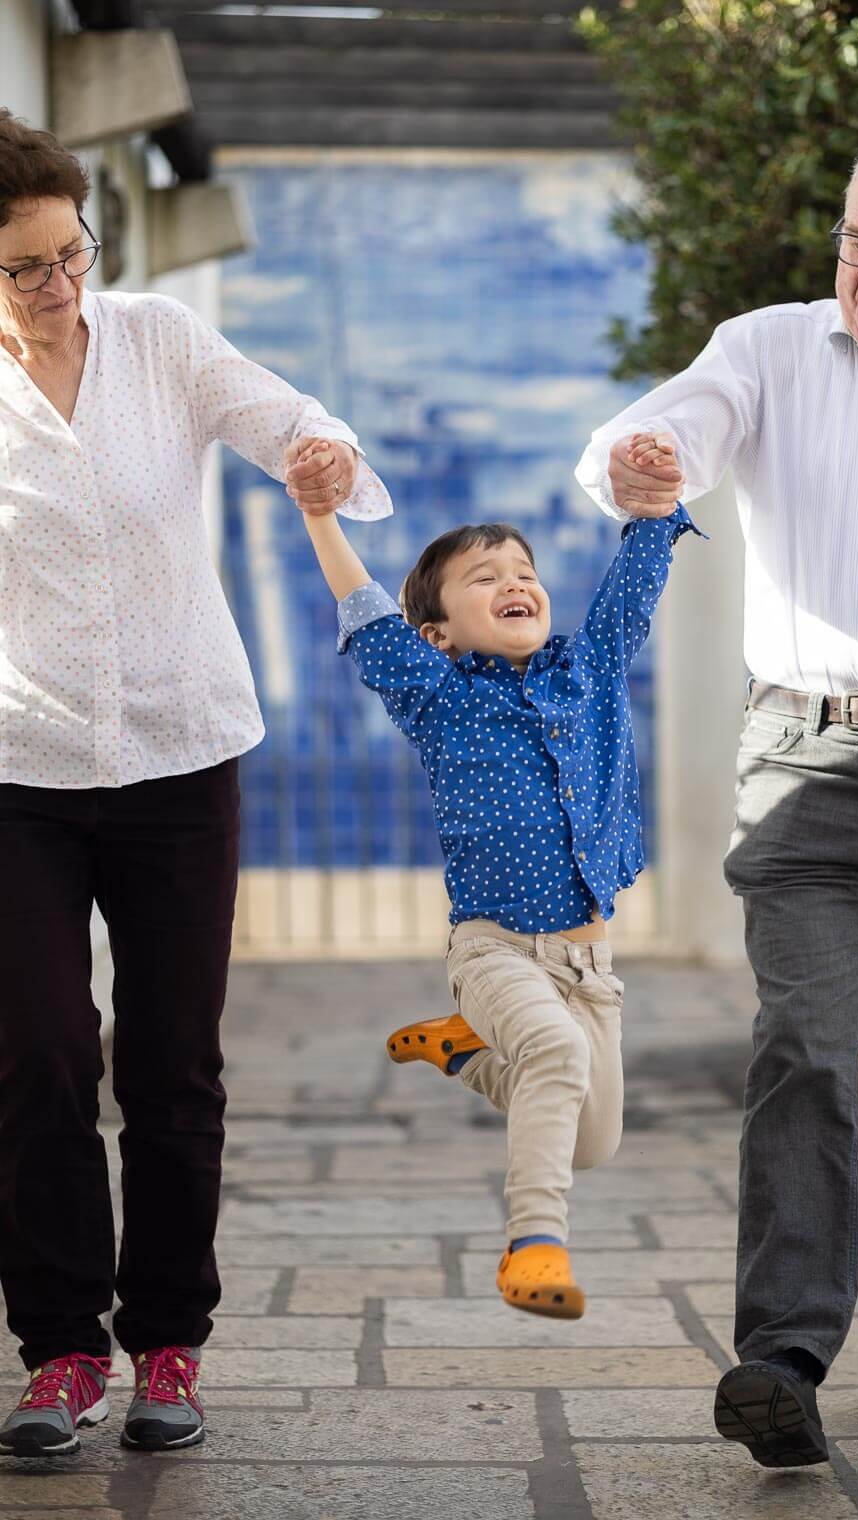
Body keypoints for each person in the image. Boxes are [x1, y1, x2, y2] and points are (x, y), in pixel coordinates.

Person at [576, 131, 858, 1467]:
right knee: (804, 1055)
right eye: (851, 242)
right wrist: (635, 469)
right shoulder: (764, 348)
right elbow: (657, 441)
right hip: (804, 762)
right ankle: (780, 1356)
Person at [0, 110, 391, 1458]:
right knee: (40, 1053)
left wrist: (321, 453)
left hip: (178, 751)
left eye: (70, 254)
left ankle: (168, 1341)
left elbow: (282, 415)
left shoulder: (157, 338)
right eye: (25, 269)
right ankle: (57, 1350)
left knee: (171, 1064)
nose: (60, 289)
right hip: (19, 767)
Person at [299, 464, 701, 1317]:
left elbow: (636, 579)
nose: (514, 582)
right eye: (484, 579)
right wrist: (319, 515)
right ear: (438, 632)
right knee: (553, 1059)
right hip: (494, 949)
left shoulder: (591, 670)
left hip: (590, 961)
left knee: (592, 1142)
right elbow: (367, 610)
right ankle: (534, 1248)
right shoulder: (437, 695)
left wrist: (659, 505)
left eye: (523, 572)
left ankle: (461, 1049)